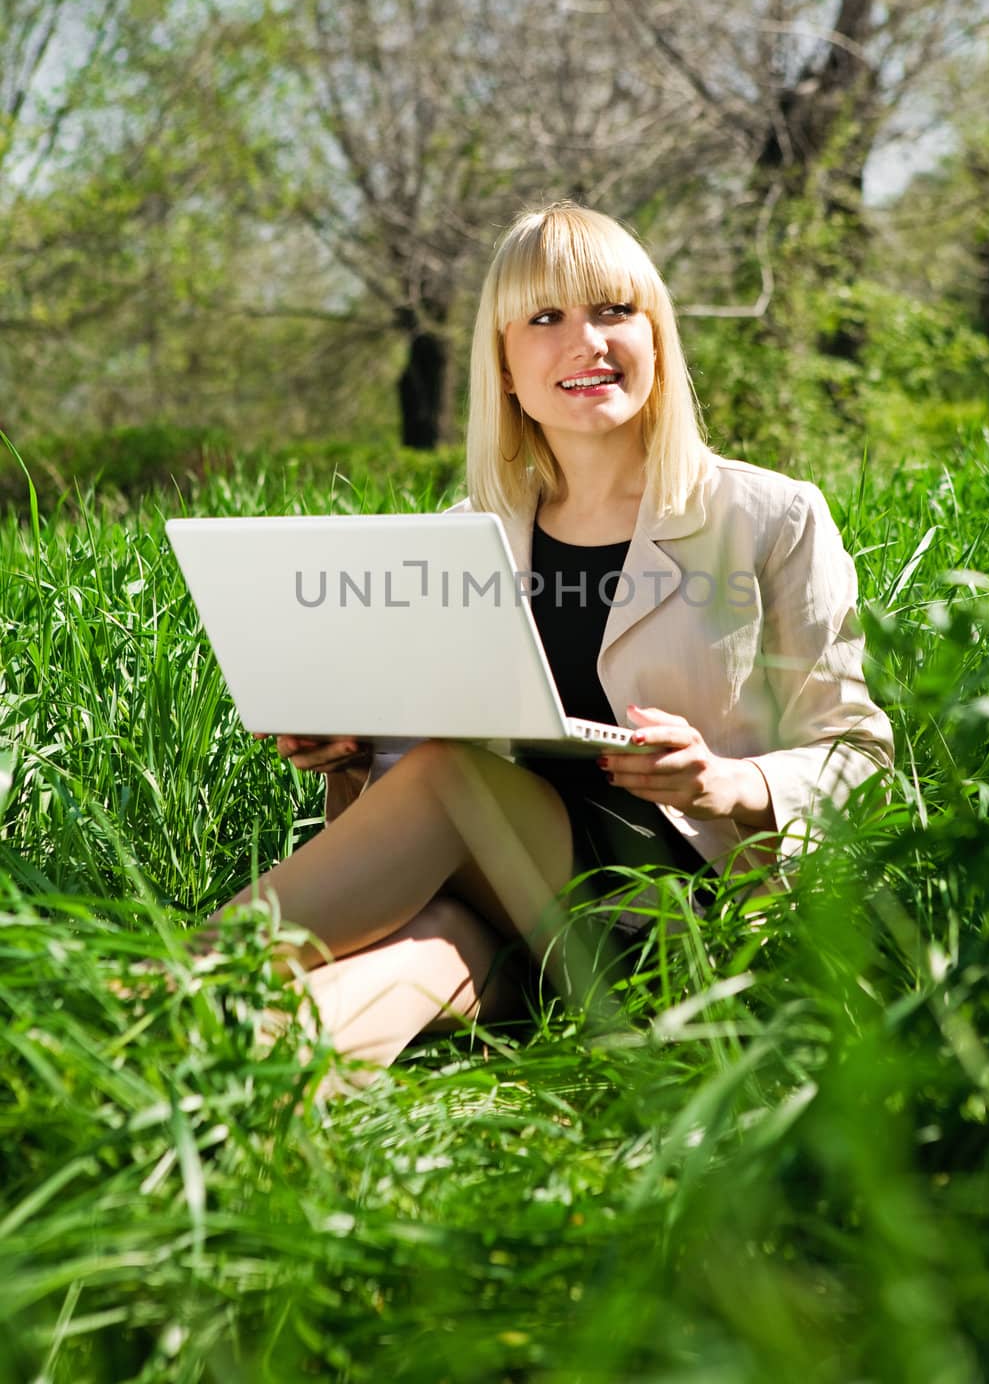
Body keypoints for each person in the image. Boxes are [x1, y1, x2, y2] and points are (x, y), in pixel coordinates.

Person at [214, 201, 894, 1082]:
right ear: (502, 362)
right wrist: (352, 752)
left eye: (614, 311)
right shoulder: (465, 536)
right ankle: (181, 1075)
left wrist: (732, 782)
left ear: (658, 333)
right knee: (408, 964)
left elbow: (863, 761)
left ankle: (144, 988)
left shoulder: (768, 518)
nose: (587, 343)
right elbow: (416, 759)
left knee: (450, 784)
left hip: (689, 923)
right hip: (517, 914)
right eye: (545, 319)